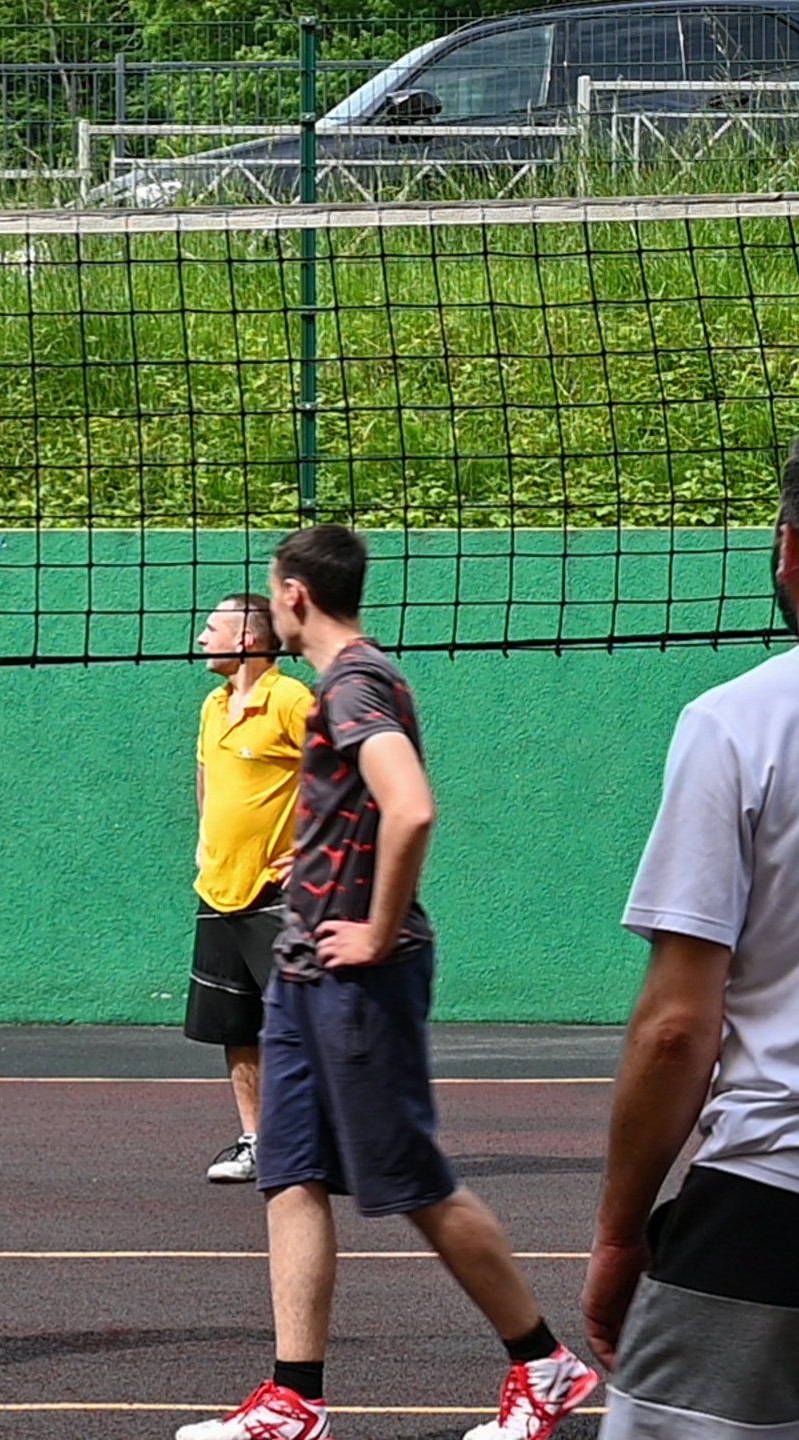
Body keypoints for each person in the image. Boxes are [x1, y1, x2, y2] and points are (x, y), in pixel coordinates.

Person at [182, 524, 597, 1440]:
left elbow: (411, 805)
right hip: (301, 966)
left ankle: (543, 1364)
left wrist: (375, 927)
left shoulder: (356, 682)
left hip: (357, 976)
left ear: (292, 595)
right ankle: (295, 1398)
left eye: (267, 589)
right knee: (289, 1174)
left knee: (412, 1181)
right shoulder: (344, 680)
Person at [584, 418, 799, 1438]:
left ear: (791, 549)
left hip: (787, 1198)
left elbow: (678, 1027)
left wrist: (621, 1236)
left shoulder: (741, 720)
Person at [187, 594, 312, 1185]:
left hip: (279, 894)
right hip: (219, 888)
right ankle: (259, 1141)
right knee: (237, 1028)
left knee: (309, 1022)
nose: (201, 638)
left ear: (246, 639)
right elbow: (208, 774)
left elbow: (350, 771)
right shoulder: (213, 705)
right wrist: (205, 840)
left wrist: (315, 849)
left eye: (211, 628)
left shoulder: (292, 700)